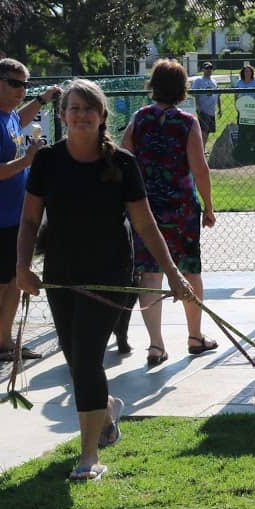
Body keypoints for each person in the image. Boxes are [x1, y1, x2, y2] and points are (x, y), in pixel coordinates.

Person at [17, 80, 189, 482]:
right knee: (75, 360)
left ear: (101, 116)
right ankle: (107, 410)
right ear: (62, 115)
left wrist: (173, 272)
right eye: (74, 108)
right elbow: (29, 219)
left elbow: (145, 224)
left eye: (88, 109)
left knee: (87, 359)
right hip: (61, 274)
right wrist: (22, 267)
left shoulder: (123, 163)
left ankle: (88, 456)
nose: (81, 115)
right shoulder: (47, 161)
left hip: (109, 273)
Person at [122, 58, 218, 366]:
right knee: (189, 269)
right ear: (181, 88)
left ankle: (156, 345)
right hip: (181, 209)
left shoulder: (139, 118)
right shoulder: (187, 123)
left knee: (149, 274)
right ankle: (195, 336)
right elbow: (199, 169)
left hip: (145, 208)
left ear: (154, 85)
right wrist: (209, 206)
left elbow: (124, 156)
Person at [0, 58, 59, 362]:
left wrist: (42, 99)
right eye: (15, 84)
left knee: (15, 279)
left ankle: (4, 341)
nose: (21, 90)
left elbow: (19, 118)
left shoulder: (6, 116)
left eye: (25, 85)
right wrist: (27, 160)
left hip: (13, 216)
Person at [192, 60, 220, 136]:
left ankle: (203, 144)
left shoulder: (214, 81)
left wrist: (220, 109)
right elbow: (194, 94)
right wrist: (198, 106)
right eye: (207, 68)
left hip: (212, 111)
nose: (209, 70)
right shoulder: (199, 80)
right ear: (203, 70)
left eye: (210, 68)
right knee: (203, 132)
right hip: (203, 111)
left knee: (208, 132)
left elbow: (218, 95)